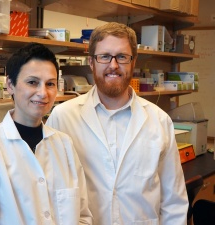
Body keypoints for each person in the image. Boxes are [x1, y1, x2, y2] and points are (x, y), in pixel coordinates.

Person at [46, 22, 188, 225]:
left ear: (133, 62)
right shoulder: (63, 118)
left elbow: (173, 201)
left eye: (122, 57)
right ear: (92, 62)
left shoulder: (159, 120)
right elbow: (48, 191)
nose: (113, 65)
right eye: (104, 56)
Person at [0, 43, 92, 225]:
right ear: (10, 85)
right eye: (32, 82)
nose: (43, 93)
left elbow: (82, 216)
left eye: (50, 84)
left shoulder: (64, 144)